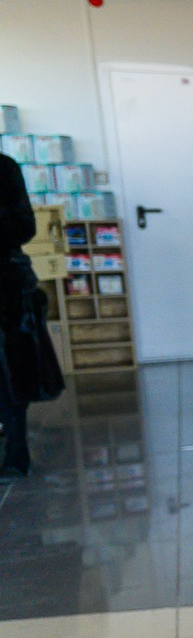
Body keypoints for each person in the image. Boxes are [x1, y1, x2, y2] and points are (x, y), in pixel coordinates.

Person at [0, 156, 62, 478]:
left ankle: (16, 452)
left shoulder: (3, 168)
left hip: (4, 282)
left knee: (8, 374)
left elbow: (25, 226)